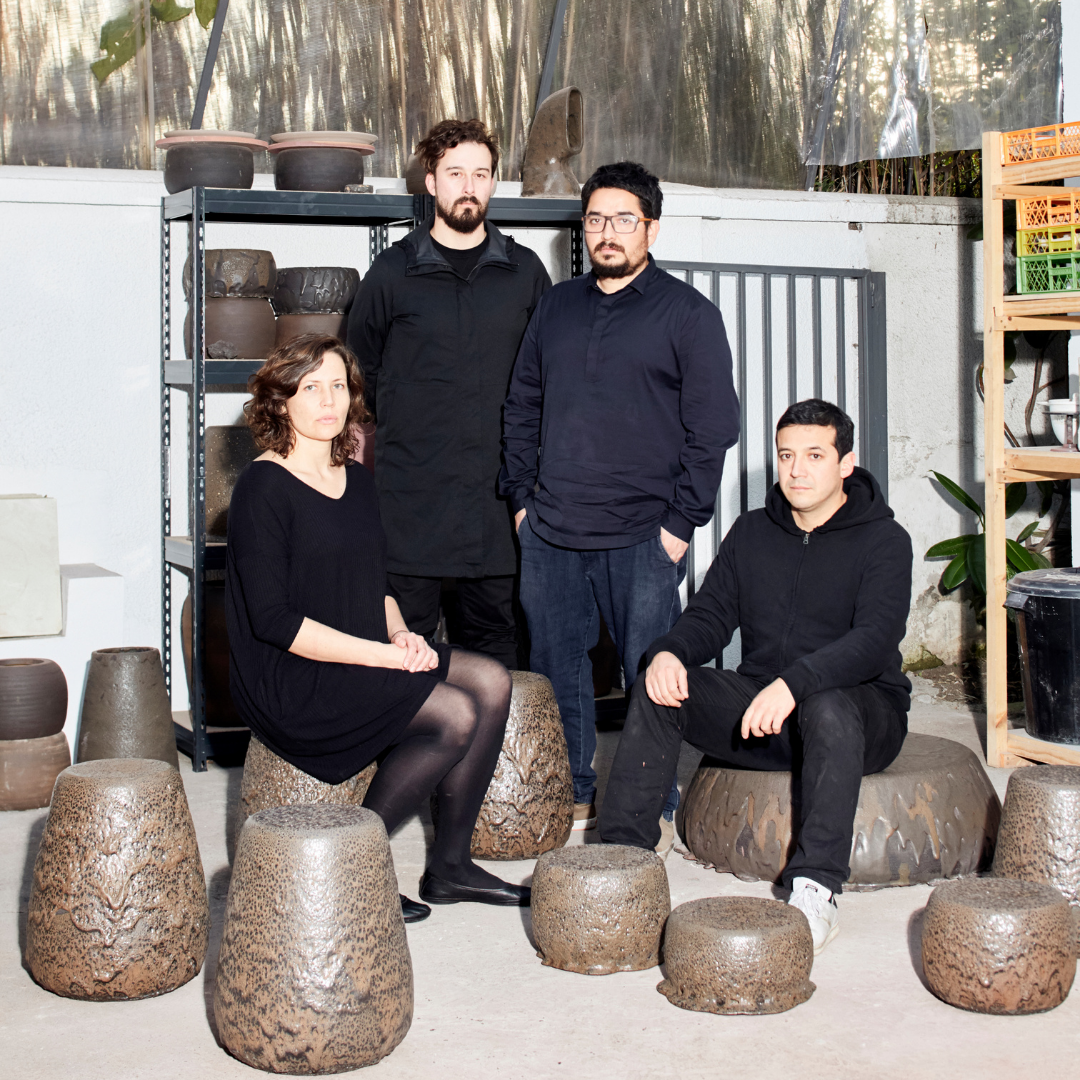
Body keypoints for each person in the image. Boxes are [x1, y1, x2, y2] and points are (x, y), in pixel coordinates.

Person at [225, 334, 530, 924]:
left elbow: (375, 581)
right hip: (294, 675)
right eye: (310, 387)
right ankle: (352, 865)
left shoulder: (357, 478)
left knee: (491, 680)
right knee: (455, 714)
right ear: (280, 400)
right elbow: (274, 622)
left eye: (337, 385)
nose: (327, 400)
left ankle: (450, 866)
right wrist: (383, 658)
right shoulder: (262, 489)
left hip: (361, 648)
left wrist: (399, 636)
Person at [598, 399, 913, 953]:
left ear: (846, 463)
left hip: (860, 716)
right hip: (766, 713)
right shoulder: (751, 534)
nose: (797, 469)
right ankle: (626, 858)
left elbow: (873, 642)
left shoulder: (885, 541)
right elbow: (710, 616)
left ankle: (816, 889)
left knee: (828, 704)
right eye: (787, 455)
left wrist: (795, 683)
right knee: (658, 680)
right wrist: (669, 651)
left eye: (815, 455)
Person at [500, 161, 740, 841]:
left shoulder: (688, 315)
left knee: (650, 675)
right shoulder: (556, 306)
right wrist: (522, 502)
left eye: (624, 220)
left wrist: (679, 523)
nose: (608, 233)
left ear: (651, 228)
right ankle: (573, 790)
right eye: (597, 219)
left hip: (643, 533)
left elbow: (715, 425)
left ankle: (650, 798)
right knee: (555, 670)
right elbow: (521, 404)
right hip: (551, 530)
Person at [347, 118, 551, 669]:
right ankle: (410, 758)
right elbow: (356, 377)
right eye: (454, 173)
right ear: (431, 182)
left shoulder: (526, 274)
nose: (468, 186)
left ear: (492, 183)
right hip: (410, 509)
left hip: (498, 514)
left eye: (480, 174)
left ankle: (487, 761)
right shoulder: (392, 273)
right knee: (400, 656)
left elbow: (549, 383)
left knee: (498, 663)